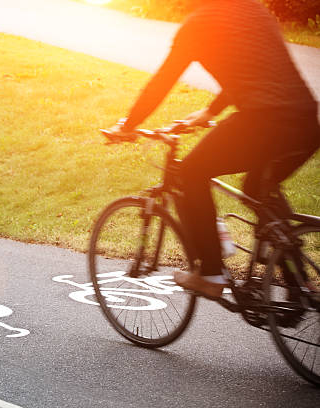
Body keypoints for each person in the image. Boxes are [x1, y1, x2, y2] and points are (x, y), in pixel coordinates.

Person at [104, 0, 320, 299]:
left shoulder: (198, 24)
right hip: (307, 122)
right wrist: (209, 111)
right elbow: (256, 71)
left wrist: (128, 124)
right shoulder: (253, 9)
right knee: (259, 189)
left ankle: (211, 273)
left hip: (264, 122)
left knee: (190, 173)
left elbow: (162, 82)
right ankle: (300, 283)